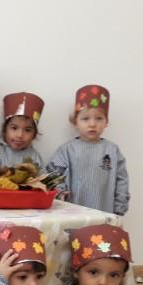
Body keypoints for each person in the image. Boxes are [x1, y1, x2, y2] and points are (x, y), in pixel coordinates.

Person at [46, 85, 130, 215]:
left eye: (99, 118)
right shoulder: (67, 150)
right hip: (72, 214)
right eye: (85, 119)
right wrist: (60, 193)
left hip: (105, 213)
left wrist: (120, 207)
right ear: (75, 122)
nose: (92, 124)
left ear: (106, 122)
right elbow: (53, 175)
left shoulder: (112, 150)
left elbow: (122, 180)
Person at [0, 92, 46, 169]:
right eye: (14, 128)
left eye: (27, 130)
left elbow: (42, 175)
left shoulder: (35, 157)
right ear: (5, 130)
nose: (20, 135)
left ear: (34, 135)